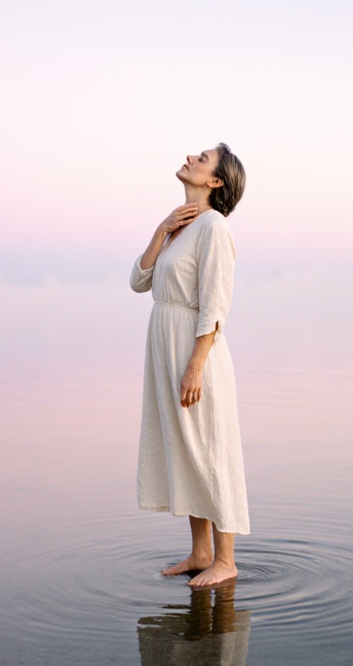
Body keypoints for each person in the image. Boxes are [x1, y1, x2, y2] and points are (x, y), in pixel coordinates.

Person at [130, 143, 249, 588]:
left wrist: (196, 365)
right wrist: (161, 230)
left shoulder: (214, 227)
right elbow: (139, 281)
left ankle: (226, 560)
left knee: (211, 451)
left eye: (202, 158)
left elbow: (215, 304)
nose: (191, 158)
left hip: (196, 353)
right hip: (167, 347)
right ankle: (201, 553)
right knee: (185, 448)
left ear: (215, 181)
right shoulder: (180, 227)